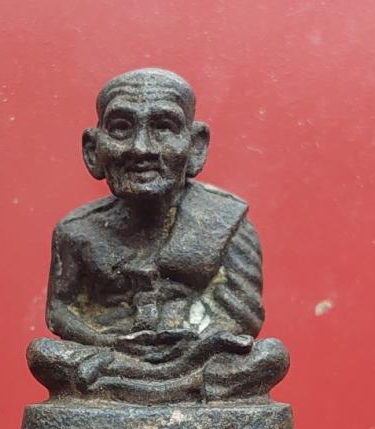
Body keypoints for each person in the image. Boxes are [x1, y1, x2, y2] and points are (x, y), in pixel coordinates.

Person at [27, 68, 289, 404]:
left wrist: (191, 343)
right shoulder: (77, 230)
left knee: (271, 356)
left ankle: (134, 388)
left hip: (193, 356)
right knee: (43, 354)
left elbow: (244, 315)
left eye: (163, 127)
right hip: (112, 355)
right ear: (92, 149)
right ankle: (174, 388)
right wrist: (111, 343)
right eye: (121, 128)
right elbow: (59, 312)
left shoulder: (224, 220)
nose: (141, 149)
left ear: (196, 146)